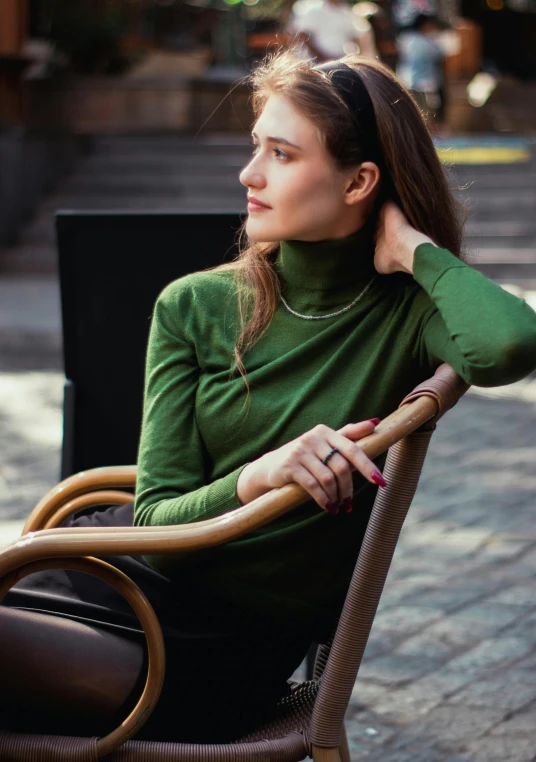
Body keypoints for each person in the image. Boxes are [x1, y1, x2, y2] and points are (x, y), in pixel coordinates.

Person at [2, 49, 536, 745]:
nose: (248, 174)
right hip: (106, 582)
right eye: (257, 147)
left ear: (360, 181)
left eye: (281, 154)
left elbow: (509, 344)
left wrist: (412, 247)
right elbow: (159, 524)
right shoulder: (195, 305)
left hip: (203, 654)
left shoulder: (409, 311)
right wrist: (257, 478)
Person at [285, 0, 377, 62]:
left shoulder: (346, 11)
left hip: (341, 61)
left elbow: (356, 36)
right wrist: (324, 58)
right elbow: (303, 37)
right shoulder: (310, 8)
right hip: (314, 63)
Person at [396, 13, 446, 127]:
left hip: (407, 79)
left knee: (413, 109)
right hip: (423, 81)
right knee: (426, 109)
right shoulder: (424, 41)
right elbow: (438, 54)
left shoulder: (406, 38)